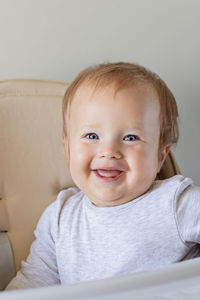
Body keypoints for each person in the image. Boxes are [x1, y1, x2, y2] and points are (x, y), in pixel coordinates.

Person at [6, 62, 200, 290]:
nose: (109, 151)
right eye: (91, 135)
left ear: (160, 156)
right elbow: (32, 283)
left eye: (130, 138)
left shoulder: (176, 203)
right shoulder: (59, 217)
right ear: (68, 150)